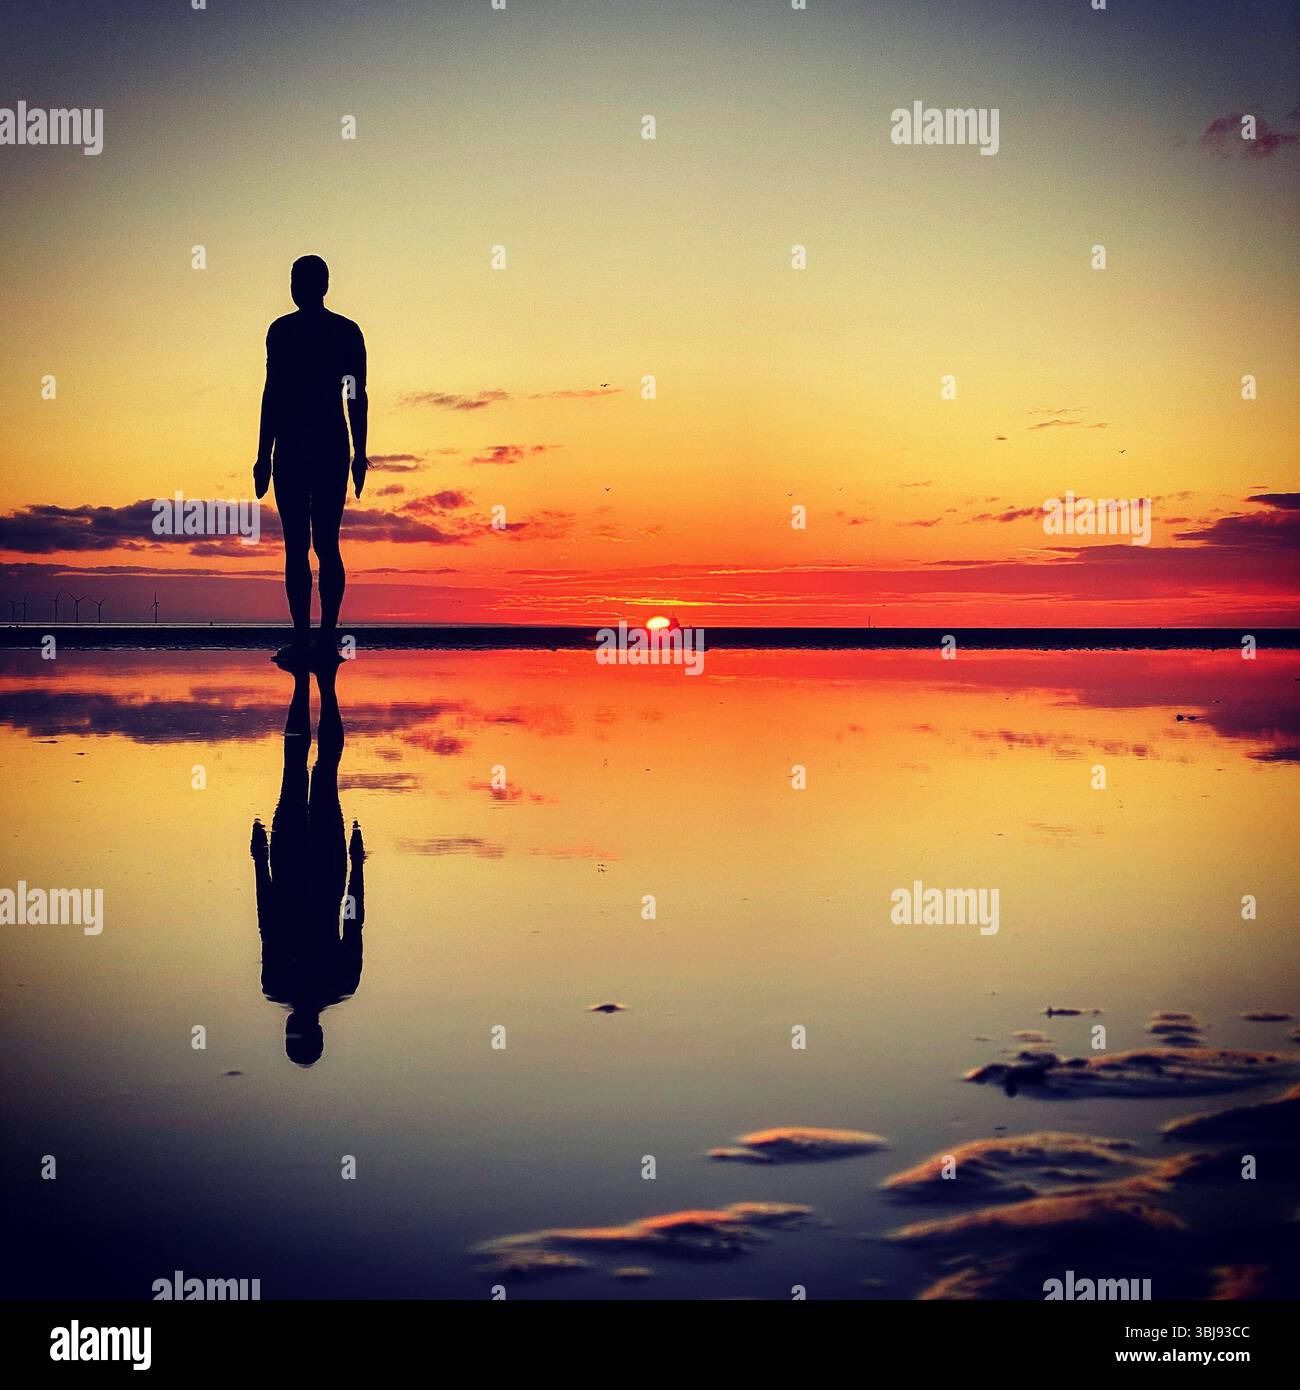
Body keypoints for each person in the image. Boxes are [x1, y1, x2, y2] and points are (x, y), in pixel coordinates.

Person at [254, 255, 368, 667]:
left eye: (298, 279)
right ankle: (312, 640)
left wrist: (361, 453)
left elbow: (355, 395)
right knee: (309, 545)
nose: (294, 286)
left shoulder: (326, 332)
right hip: (312, 447)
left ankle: (318, 640)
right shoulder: (295, 332)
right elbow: (273, 393)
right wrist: (262, 455)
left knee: (313, 545)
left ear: (318, 285)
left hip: (315, 446)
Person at [251, 663, 365, 1066]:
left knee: (317, 771)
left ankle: (318, 684)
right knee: (302, 769)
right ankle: (311, 682)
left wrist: (356, 866)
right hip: (302, 865)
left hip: (323, 868)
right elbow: (268, 917)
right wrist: (258, 860)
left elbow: (353, 919)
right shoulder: (280, 984)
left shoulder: (334, 983)